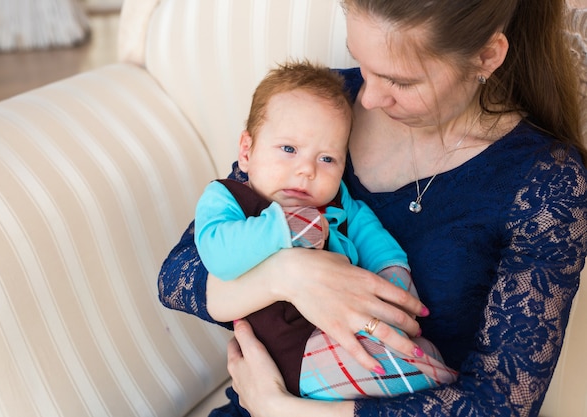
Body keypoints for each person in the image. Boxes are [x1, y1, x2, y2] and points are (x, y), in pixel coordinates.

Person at [158, 0, 587, 415]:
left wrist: (282, 410)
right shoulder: (321, 104)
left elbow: (500, 403)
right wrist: (291, 276)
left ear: (486, 56)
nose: (366, 99)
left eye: (400, 82)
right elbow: (179, 274)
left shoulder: (545, 182)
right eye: (361, 62)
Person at [193, 61, 457, 401]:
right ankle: (439, 388)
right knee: (406, 371)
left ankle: (436, 385)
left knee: (415, 354)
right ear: (246, 151)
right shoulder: (227, 198)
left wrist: (392, 277)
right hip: (290, 353)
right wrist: (282, 227)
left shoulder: (339, 205)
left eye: (327, 159)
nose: (306, 170)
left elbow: (370, 234)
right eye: (289, 149)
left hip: (349, 331)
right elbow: (218, 254)